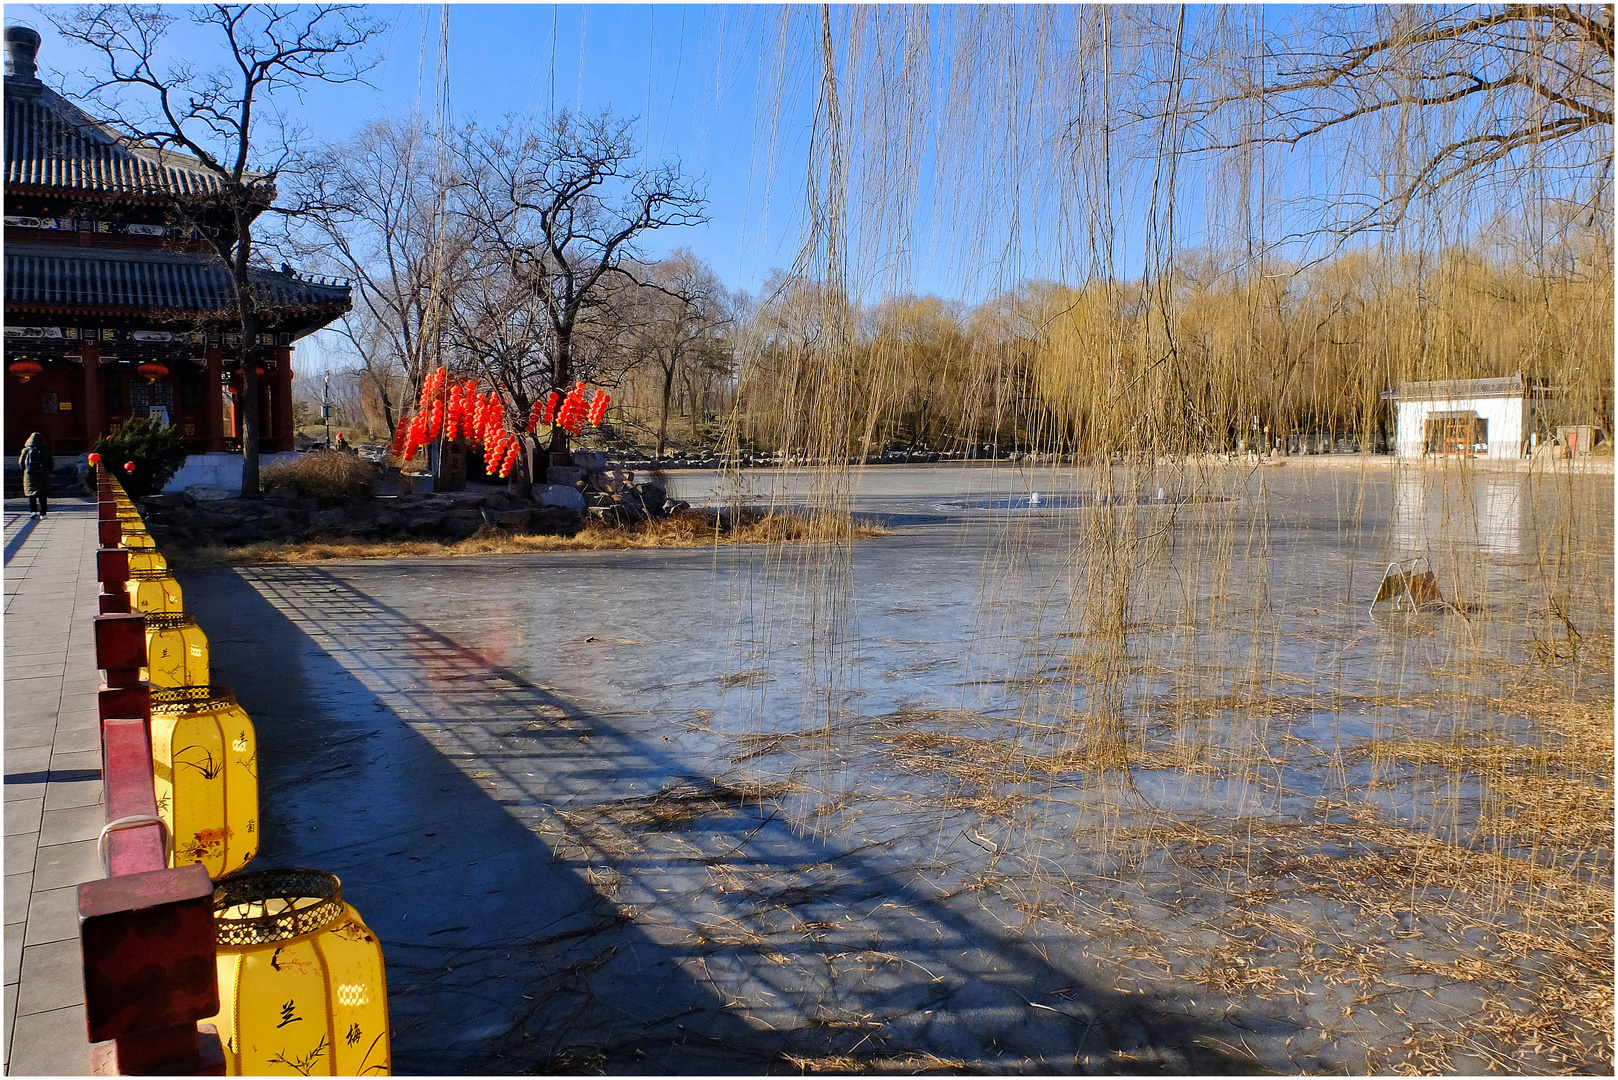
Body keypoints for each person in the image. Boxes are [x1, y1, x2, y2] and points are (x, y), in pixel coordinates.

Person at [18, 432, 53, 518]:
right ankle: (43, 513)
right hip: (43, 476)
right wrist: (49, 471)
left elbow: (21, 463)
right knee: (42, 495)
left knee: (31, 495)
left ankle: (33, 512)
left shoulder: (26, 450)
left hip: (29, 475)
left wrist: (25, 470)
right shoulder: (45, 451)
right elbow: (50, 463)